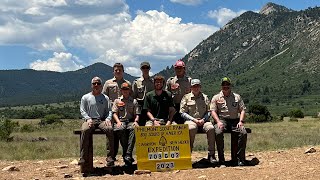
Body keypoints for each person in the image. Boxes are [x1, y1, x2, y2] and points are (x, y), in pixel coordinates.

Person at [210, 77, 247, 166]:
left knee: (243, 133)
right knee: (218, 132)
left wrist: (241, 121)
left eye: (227, 85)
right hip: (222, 119)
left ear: (230, 86)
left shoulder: (237, 97)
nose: (225, 86)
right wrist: (218, 122)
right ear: (221, 86)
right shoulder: (216, 97)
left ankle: (239, 159)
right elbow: (213, 111)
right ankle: (221, 160)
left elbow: (242, 110)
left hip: (235, 120)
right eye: (224, 85)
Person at [79, 77, 115, 170]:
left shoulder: (105, 98)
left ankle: (110, 158)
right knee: (85, 130)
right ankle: (83, 157)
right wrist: (87, 118)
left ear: (101, 85)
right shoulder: (85, 97)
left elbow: (110, 111)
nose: (96, 85)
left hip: (102, 120)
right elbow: (82, 110)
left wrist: (108, 118)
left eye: (98, 83)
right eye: (94, 83)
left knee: (110, 129)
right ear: (91, 85)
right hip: (89, 119)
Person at [180, 79, 217, 164]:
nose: (196, 88)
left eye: (197, 86)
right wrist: (194, 120)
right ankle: (187, 155)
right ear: (191, 87)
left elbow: (209, 111)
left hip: (204, 120)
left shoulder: (205, 97)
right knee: (191, 128)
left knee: (211, 128)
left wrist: (203, 119)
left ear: (200, 87)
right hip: (191, 120)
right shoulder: (186, 97)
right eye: (194, 86)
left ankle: (211, 155)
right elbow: (182, 112)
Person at [102, 63, 132, 162]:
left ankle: (126, 156)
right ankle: (111, 157)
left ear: (123, 71)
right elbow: (103, 99)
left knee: (125, 133)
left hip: (125, 114)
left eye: (120, 69)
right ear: (113, 71)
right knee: (111, 133)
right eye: (116, 70)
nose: (118, 71)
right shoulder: (108, 83)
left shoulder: (127, 83)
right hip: (111, 113)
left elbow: (131, 98)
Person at [112, 82, 140, 166]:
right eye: (123, 89)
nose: (125, 91)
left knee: (134, 128)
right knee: (120, 129)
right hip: (121, 121)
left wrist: (136, 121)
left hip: (130, 121)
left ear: (130, 90)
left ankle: (127, 154)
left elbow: (137, 114)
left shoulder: (134, 101)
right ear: (121, 90)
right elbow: (114, 113)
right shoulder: (117, 101)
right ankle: (127, 154)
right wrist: (118, 122)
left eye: (127, 89)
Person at [166, 59, 192, 124]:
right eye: (177, 68)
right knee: (175, 125)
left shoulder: (189, 81)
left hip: (187, 107)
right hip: (175, 107)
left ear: (184, 69)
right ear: (175, 69)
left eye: (181, 68)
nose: (179, 69)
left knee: (187, 125)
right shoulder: (170, 81)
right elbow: (167, 94)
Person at [132, 62, 154, 126]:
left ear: (149, 68)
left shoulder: (153, 82)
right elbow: (133, 96)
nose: (145, 69)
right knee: (140, 124)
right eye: (143, 68)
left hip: (150, 106)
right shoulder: (136, 82)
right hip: (140, 105)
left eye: (147, 67)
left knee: (150, 124)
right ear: (141, 69)